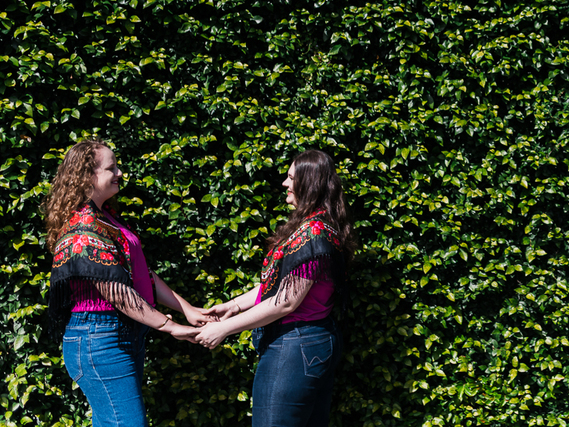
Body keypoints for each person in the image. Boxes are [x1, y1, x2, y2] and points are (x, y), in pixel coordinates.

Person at [46, 140, 204, 427]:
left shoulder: (105, 218)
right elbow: (116, 292)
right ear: (87, 176)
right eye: (111, 168)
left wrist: (187, 308)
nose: (120, 172)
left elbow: (140, 275)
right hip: (98, 338)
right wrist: (170, 326)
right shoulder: (83, 227)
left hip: (114, 335)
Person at [197, 150, 355, 427]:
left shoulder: (313, 234)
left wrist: (224, 328)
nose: (284, 183)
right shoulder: (316, 228)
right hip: (310, 341)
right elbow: (280, 287)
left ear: (309, 184)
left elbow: (285, 302)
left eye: (291, 177)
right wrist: (233, 305)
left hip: (295, 346)